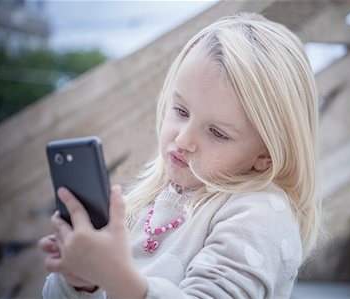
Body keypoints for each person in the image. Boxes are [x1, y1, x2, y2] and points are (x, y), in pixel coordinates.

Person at [38, 12, 321, 299]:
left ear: (266, 155)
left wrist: (115, 275)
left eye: (218, 133)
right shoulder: (147, 200)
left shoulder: (261, 214)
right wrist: (83, 281)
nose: (183, 139)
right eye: (181, 111)